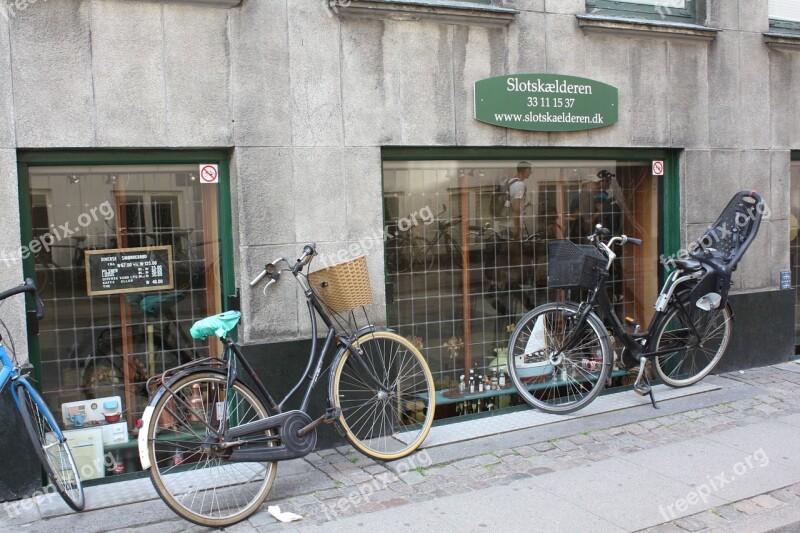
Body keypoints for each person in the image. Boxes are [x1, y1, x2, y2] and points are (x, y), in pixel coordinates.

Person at [509, 161, 532, 240]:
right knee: (517, 248)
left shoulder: (510, 182)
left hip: (508, 222)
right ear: (523, 170)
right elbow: (517, 207)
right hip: (515, 223)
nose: (531, 172)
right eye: (529, 170)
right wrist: (518, 228)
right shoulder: (519, 184)